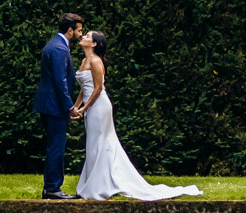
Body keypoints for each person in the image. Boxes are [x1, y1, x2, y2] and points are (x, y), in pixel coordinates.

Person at [71, 31, 202, 201]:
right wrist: (75, 106)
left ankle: (100, 185)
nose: (83, 37)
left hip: (99, 107)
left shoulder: (96, 61)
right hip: (90, 107)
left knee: (101, 143)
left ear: (94, 44)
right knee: (95, 143)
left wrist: (84, 108)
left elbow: (97, 89)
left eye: (88, 36)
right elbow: (84, 88)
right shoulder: (84, 61)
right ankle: (98, 181)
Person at [34, 13, 86, 199]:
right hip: (54, 106)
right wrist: (69, 107)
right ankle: (53, 188)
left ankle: (50, 187)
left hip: (50, 104)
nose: (81, 34)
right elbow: (60, 80)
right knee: (56, 147)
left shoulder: (55, 45)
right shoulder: (59, 49)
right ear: (70, 30)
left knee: (54, 146)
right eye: (79, 30)